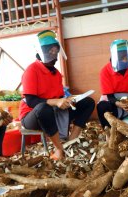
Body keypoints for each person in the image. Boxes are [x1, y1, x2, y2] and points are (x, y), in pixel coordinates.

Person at [18, 30, 95, 161]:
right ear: (41, 52)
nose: (53, 55)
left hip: (54, 112)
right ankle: (59, 149)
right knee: (43, 108)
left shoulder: (56, 73)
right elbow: (31, 101)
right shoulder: (31, 71)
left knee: (88, 102)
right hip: (32, 116)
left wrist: (67, 100)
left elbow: (59, 96)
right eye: (50, 52)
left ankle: (72, 140)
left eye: (55, 52)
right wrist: (56, 102)